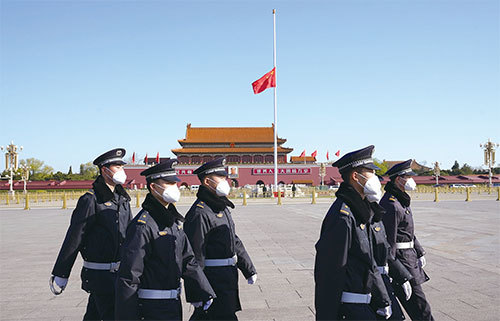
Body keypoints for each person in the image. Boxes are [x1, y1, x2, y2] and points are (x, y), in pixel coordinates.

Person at [115, 159, 215, 320]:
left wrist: (202, 291)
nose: (174, 187)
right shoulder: (143, 226)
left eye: (174, 183)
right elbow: (129, 276)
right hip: (151, 308)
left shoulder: (173, 222)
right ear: (153, 187)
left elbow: (188, 260)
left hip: (173, 304)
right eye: (168, 183)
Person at [50, 148, 132, 320]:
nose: (121, 170)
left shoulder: (123, 199)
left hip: (118, 275)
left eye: (121, 166)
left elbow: (130, 235)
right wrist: (61, 273)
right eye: (117, 166)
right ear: (105, 170)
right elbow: (74, 238)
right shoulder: (90, 200)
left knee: (94, 315)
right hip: (99, 276)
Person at [314, 145, 392, 321]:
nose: (375, 178)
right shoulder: (343, 216)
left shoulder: (361, 211)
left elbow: (368, 262)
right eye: (370, 172)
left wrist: (383, 298)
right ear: (355, 176)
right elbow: (329, 272)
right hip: (351, 309)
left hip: (367, 303)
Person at [184, 157, 257, 320]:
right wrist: (198, 290)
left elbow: (233, 239)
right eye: (221, 177)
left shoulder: (220, 206)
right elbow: (194, 256)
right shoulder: (200, 213)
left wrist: (247, 267)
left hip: (227, 278)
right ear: (207, 181)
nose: (226, 181)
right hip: (212, 281)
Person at [380, 160, 434, 321]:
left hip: (409, 257)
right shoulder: (391, 204)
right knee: (421, 308)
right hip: (402, 262)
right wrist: (397, 273)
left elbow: (408, 231)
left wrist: (419, 251)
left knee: (420, 307)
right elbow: (389, 241)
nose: (411, 179)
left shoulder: (401, 200)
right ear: (398, 179)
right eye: (408, 176)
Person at [369, 194, 414, 320]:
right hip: (367, 284)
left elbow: (386, 249)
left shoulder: (374, 213)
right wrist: (382, 297)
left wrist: (402, 276)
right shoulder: (348, 215)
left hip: (382, 279)